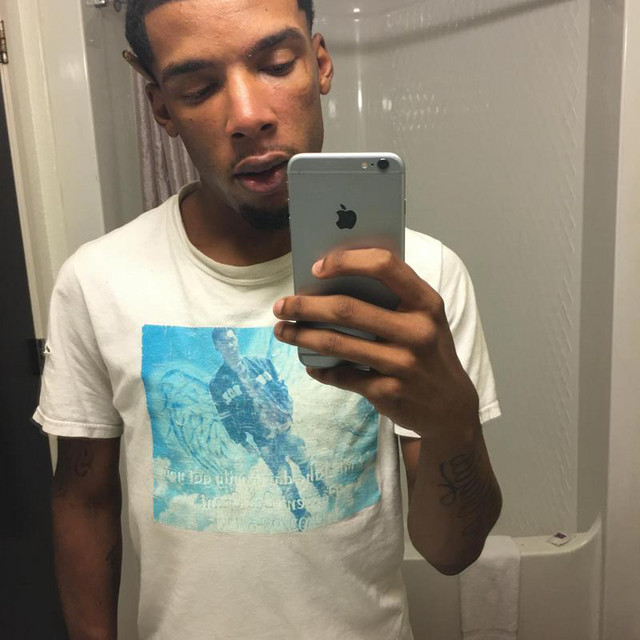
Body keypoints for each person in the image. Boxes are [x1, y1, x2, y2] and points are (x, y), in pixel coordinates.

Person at [33, 0, 503, 638]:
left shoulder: (422, 278)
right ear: (162, 109)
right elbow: (84, 501)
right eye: (198, 88)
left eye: (277, 65)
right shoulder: (96, 282)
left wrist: (453, 420)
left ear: (320, 63)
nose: (248, 115)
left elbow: (453, 553)